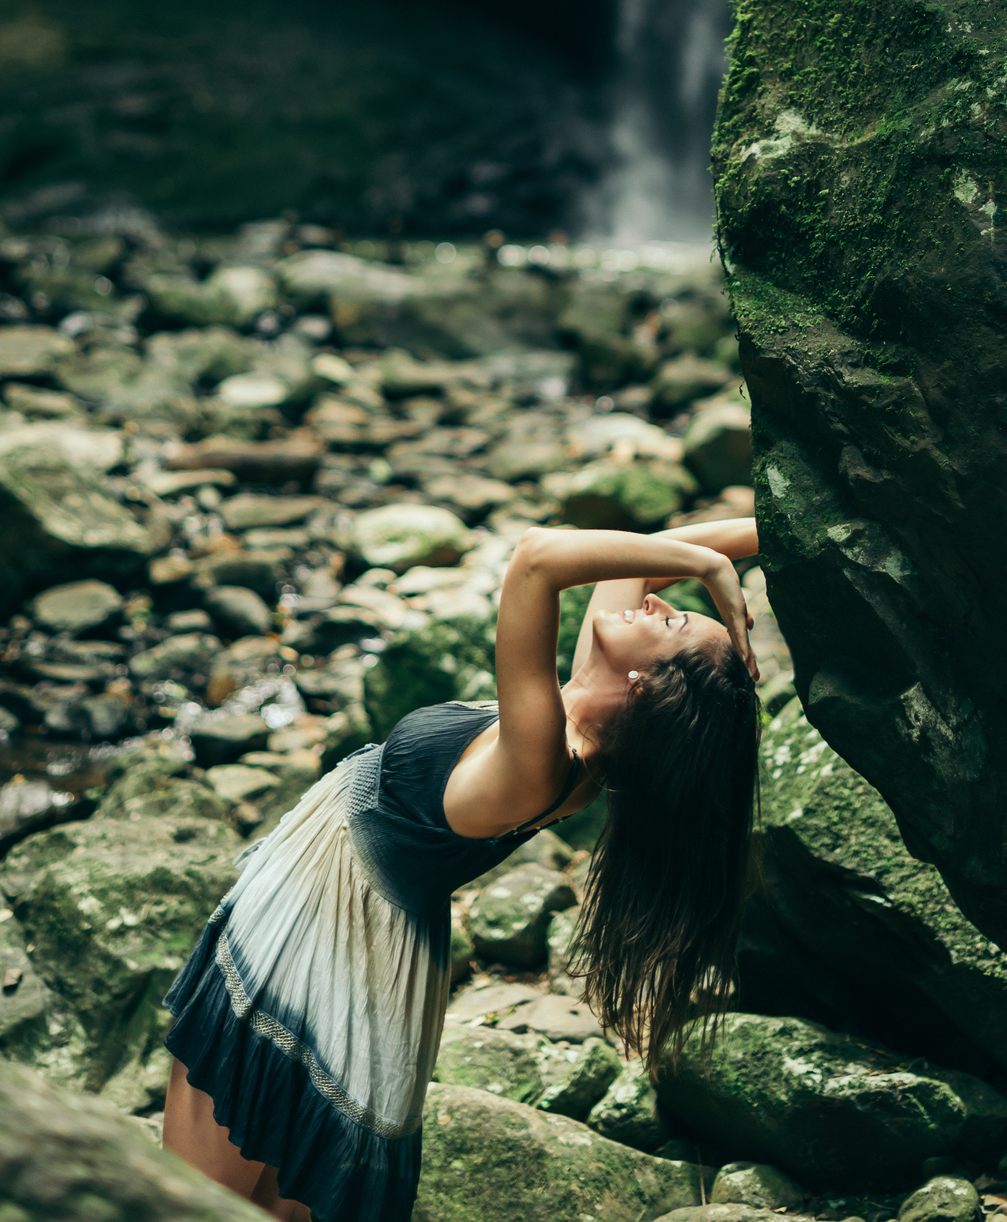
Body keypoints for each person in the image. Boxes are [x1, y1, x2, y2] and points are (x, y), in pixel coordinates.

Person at [161, 517, 761, 1222]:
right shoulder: (574, 716)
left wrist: (703, 566)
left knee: (191, 1201)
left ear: (646, 686)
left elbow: (538, 559)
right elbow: (632, 558)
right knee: (260, 1192)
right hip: (350, 932)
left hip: (327, 941)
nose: (658, 599)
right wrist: (763, 536)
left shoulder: (541, 763)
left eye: (673, 622)